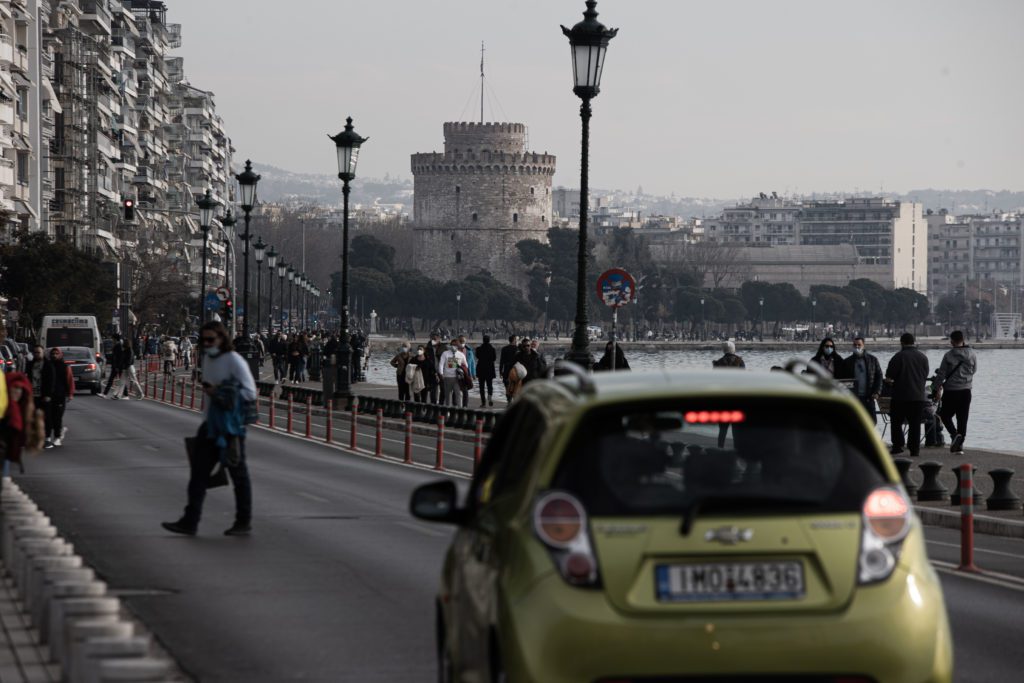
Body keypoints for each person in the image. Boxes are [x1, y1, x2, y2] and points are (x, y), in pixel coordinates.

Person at [162, 321, 257, 537]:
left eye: (211, 339)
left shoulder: (234, 360)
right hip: (210, 424)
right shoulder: (206, 359)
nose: (207, 344)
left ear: (222, 339)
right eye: (204, 340)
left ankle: (243, 521)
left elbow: (250, 392)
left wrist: (222, 392)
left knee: (239, 474)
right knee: (198, 474)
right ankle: (190, 521)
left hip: (232, 427)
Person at [884, 333, 930, 457]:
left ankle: (898, 446)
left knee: (896, 422)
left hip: (900, 396)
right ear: (913, 342)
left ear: (902, 342)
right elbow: (925, 375)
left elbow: (889, 377)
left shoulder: (898, 357)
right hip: (918, 397)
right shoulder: (923, 358)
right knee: (915, 424)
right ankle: (914, 449)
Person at [933, 330, 978, 455]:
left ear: (952, 341)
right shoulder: (972, 354)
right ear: (963, 339)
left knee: (945, 415)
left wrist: (934, 389)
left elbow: (941, 374)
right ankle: (960, 446)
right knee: (962, 418)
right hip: (966, 391)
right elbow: (974, 370)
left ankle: (954, 435)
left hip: (951, 391)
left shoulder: (948, 355)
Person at [840, 337, 883, 423]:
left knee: (872, 421)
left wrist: (877, 392)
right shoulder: (847, 362)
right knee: (854, 422)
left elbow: (879, 377)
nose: (857, 347)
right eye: (855, 345)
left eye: (859, 345)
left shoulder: (873, 360)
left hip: (869, 397)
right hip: (853, 398)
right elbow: (843, 379)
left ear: (863, 345)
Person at [41, 347, 74, 448]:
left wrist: (70, 394)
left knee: (57, 417)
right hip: (48, 395)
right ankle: (47, 438)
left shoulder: (65, 367)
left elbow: (70, 381)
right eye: (53, 353)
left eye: (56, 353)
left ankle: (57, 437)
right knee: (48, 417)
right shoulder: (47, 365)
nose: (54, 355)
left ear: (60, 355)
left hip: (60, 396)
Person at [437, 340, 467, 407]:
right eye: (452, 345)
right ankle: (448, 411)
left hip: (457, 378)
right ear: (450, 346)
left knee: (459, 394)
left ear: (458, 346)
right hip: (447, 377)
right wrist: (441, 373)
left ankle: (460, 410)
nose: (454, 347)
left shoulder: (461, 354)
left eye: (456, 345)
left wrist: (464, 373)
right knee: (448, 395)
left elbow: (465, 365)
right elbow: (441, 364)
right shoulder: (445, 353)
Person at [475, 335, 497, 407]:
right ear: (489, 340)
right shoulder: (492, 349)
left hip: (481, 369)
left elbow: (477, 356)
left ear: (483, 340)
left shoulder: (478, 349)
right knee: (489, 385)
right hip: (490, 369)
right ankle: (490, 396)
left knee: (481, 387)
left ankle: (483, 402)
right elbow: (494, 359)